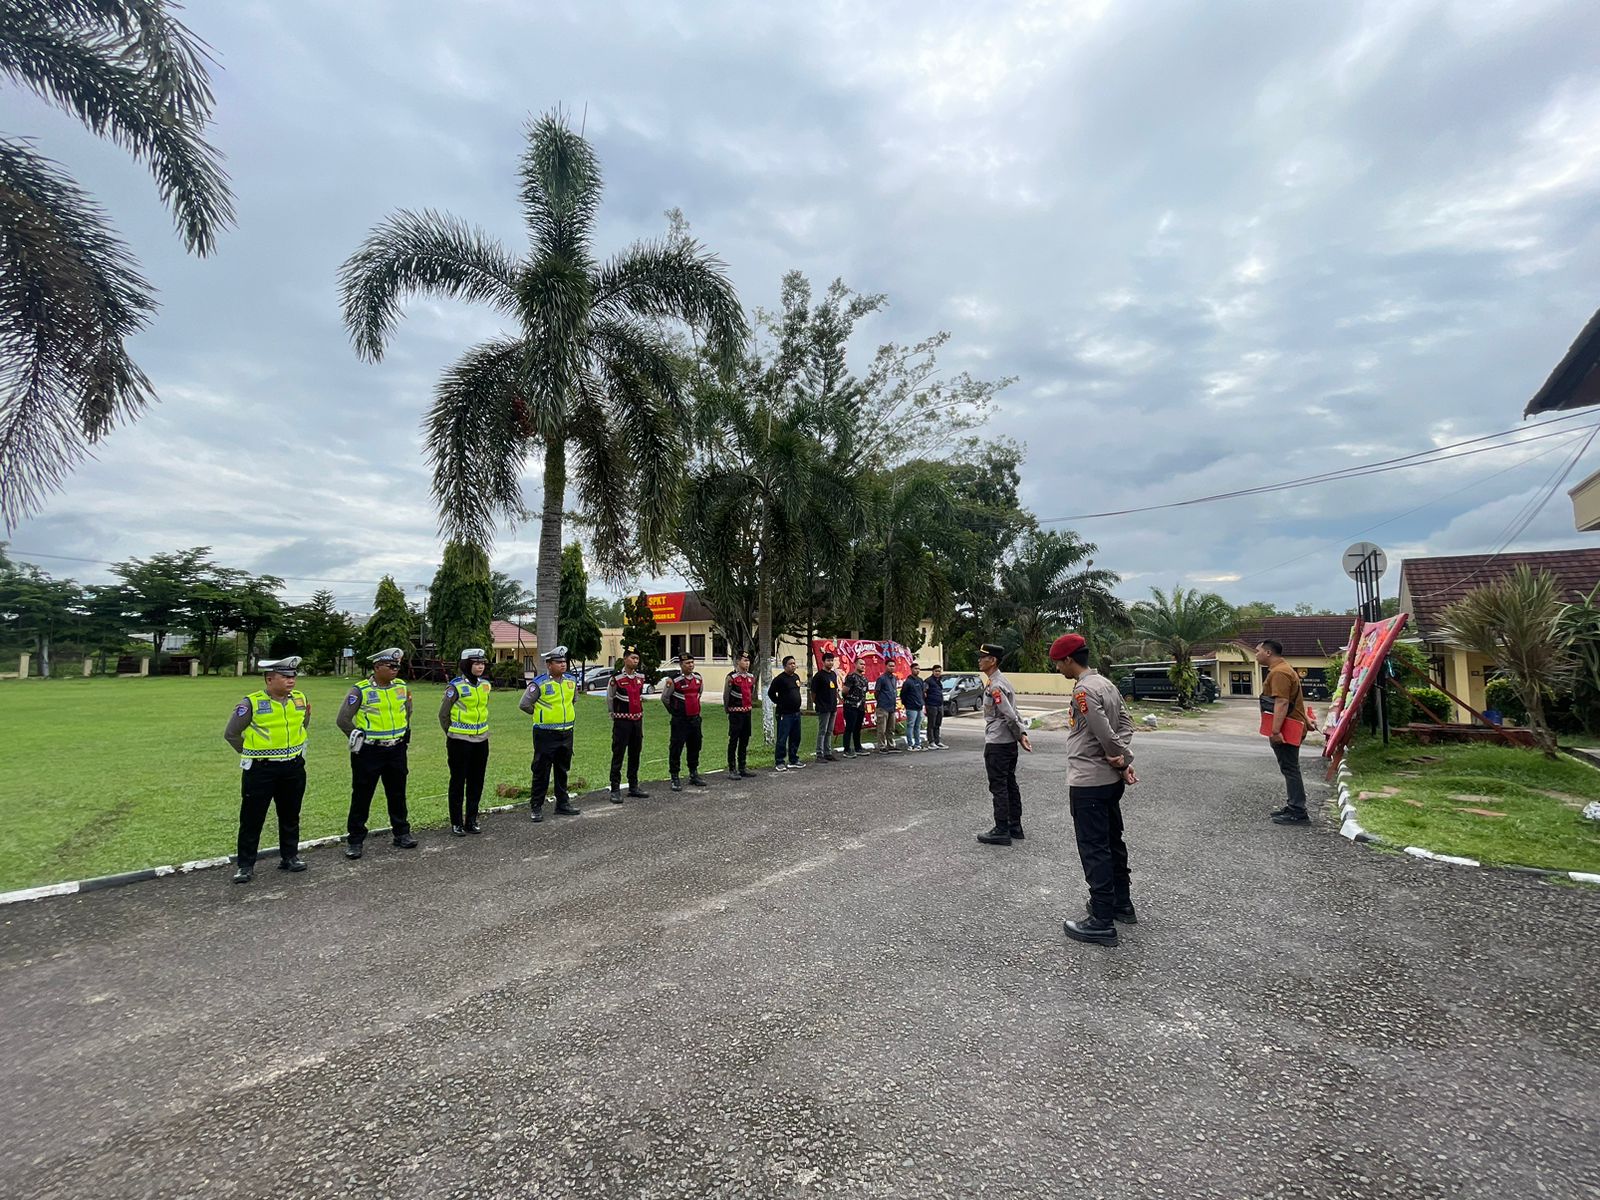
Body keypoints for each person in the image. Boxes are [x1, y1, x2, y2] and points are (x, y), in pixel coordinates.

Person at [1050, 634, 1138, 947]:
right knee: (1113, 842)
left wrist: (1116, 756)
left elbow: (1103, 730)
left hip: (1089, 780)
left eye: (1058, 663)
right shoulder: (1107, 684)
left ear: (1069, 660)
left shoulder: (1084, 689)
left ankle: (1101, 919)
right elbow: (1127, 725)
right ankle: (1121, 903)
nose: (1058, 669)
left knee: (1094, 848)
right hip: (1109, 780)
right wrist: (1123, 761)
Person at [222, 656, 310, 883]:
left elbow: (303, 723)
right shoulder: (250, 703)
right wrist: (253, 753)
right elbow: (231, 734)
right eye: (285, 676)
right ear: (270, 679)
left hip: (293, 766)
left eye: (293, 676)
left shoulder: (299, 699)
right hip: (261, 770)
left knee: (290, 814)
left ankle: (289, 857)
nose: (291, 681)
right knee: (252, 818)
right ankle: (245, 865)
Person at [336, 647, 417, 859]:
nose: (395, 670)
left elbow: (408, 711)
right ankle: (355, 840)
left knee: (397, 793)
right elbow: (343, 719)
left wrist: (402, 733)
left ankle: (402, 833)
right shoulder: (360, 690)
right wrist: (356, 737)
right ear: (376, 667)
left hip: (396, 749)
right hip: (369, 750)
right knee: (362, 795)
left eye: (397, 666)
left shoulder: (401, 687)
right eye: (391, 666)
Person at [976, 643, 1031, 845]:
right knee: (1009, 784)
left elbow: (1009, 714)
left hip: (998, 742)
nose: (979, 660)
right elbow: (1015, 712)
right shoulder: (1001, 681)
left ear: (993, 660)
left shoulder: (995, 685)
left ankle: (1001, 829)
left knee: (999, 786)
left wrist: (1020, 734)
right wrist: (1021, 733)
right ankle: (1015, 826)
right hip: (1007, 743)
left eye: (983, 657)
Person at [521, 645, 581, 821]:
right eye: (558, 662)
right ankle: (536, 806)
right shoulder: (539, 683)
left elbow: (573, 700)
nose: (563, 665)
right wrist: (541, 714)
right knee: (541, 771)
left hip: (566, 732)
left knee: (562, 769)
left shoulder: (571, 681)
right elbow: (524, 704)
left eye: (564, 661)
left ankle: (562, 804)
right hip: (545, 734)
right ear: (549, 664)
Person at [1256, 639, 1312, 825]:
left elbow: (1281, 702)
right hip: (1292, 724)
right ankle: (1293, 805)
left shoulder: (1280, 673)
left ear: (1268, 653)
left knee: (1290, 768)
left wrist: (1275, 731)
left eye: (1258, 651)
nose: (1256, 655)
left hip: (1287, 728)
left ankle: (1298, 811)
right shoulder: (1283, 669)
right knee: (1289, 767)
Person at [439, 647, 491, 836]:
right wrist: (452, 733)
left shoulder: (485, 685)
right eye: (476, 663)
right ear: (466, 665)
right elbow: (443, 715)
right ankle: (456, 822)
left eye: (482, 663)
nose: (480, 667)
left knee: (477, 781)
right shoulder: (455, 687)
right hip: (459, 741)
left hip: (481, 740)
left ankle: (471, 819)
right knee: (458, 782)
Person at [606, 650, 651, 804]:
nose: (635, 661)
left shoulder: (640, 677)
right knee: (618, 754)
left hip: (637, 721)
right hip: (622, 722)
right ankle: (615, 789)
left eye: (637, 658)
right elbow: (610, 697)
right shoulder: (616, 678)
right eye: (632, 658)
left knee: (635, 753)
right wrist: (613, 714)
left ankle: (633, 786)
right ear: (625, 659)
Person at [661, 652, 709, 792]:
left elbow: (699, 693)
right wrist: (675, 712)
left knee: (695, 746)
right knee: (676, 748)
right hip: (680, 721)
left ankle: (693, 773)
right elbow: (665, 698)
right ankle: (674, 776)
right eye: (687, 663)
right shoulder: (673, 680)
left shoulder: (698, 678)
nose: (691, 665)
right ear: (681, 665)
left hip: (695, 720)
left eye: (692, 663)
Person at [724, 651, 759, 777]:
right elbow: (726, 696)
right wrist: (727, 709)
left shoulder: (751, 677)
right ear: (738, 662)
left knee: (744, 740)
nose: (747, 663)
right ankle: (732, 768)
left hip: (747, 712)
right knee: (734, 740)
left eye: (748, 661)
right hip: (735, 713)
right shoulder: (732, 677)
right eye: (744, 660)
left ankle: (742, 767)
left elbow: (750, 692)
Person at [768, 655, 805, 771]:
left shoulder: (796, 677)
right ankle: (779, 761)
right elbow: (771, 693)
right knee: (782, 738)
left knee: (796, 737)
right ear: (785, 666)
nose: (793, 665)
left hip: (796, 713)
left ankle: (793, 759)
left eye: (794, 663)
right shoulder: (779, 679)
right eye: (790, 663)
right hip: (785, 714)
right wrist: (780, 703)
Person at [809, 650, 841, 762]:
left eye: (832, 661)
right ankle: (819, 754)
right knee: (822, 731)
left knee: (829, 731)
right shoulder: (818, 676)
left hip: (833, 707)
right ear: (823, 662)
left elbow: (835, 689)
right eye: (828, 660)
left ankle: (828, 752)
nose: (830, 663)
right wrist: (817, 703)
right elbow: (813, 692)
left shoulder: (833, 674)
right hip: (823, 707)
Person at [840, 659, 869, 758]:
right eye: (861, 664)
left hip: (860, 707)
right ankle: (846, 749)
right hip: (850, 706)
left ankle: (858, 747)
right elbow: (844, 691)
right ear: (855, 665)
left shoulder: (864, 679)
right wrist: (850, 700)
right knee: (849, 728)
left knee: (858, 728)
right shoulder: (851, 677)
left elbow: (865, 692)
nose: (863, 666)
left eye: (864, 664)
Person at [873, 664, 900, 752]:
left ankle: (891, 745)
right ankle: (881, 746)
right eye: (890, 666)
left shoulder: (894, 678)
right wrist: (881, 701)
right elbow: (876, 692)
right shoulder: (881, 679)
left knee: (891, 728)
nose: (892, 667)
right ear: (886, 666)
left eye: (893, 666)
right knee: (882, 729)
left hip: (892, 707)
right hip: (883, 707)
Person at [901, 663, 927, 751]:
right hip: (911, 707)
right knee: (910, 725)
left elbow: (922, 693)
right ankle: (910, 744)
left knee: (918, 726)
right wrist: (907, 704)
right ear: (911, 669)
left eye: (919, 669)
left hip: (919, 707)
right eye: (916, 668)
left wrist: (922, 703)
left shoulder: (920, 680)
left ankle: (917, 744)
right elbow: (903, 695)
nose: (917, 670)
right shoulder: (908, 682)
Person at [924, 664, 947, 749]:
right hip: (931, 705)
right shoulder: (928, 681)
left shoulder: (939, 681)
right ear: (933, 671)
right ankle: (931, 741)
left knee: (938, 724)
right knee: (931, 724)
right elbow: (924, 692)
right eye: (936, 671)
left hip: (939, 705)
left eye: (939, 671)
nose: (938, 673)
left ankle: (937, 741)